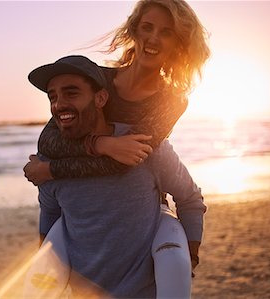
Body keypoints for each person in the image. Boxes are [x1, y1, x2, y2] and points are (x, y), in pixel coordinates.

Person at [23, 0, 210, 297]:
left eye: (166, 32)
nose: (153, 38)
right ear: (134, 30)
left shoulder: (171, 100)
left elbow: (129, 160)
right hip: (90, 194)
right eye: (147, 27)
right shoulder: (100, 80)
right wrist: (102, 143)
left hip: (142, 194)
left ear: (179, 43)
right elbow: (50, 139)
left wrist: (50, 170)